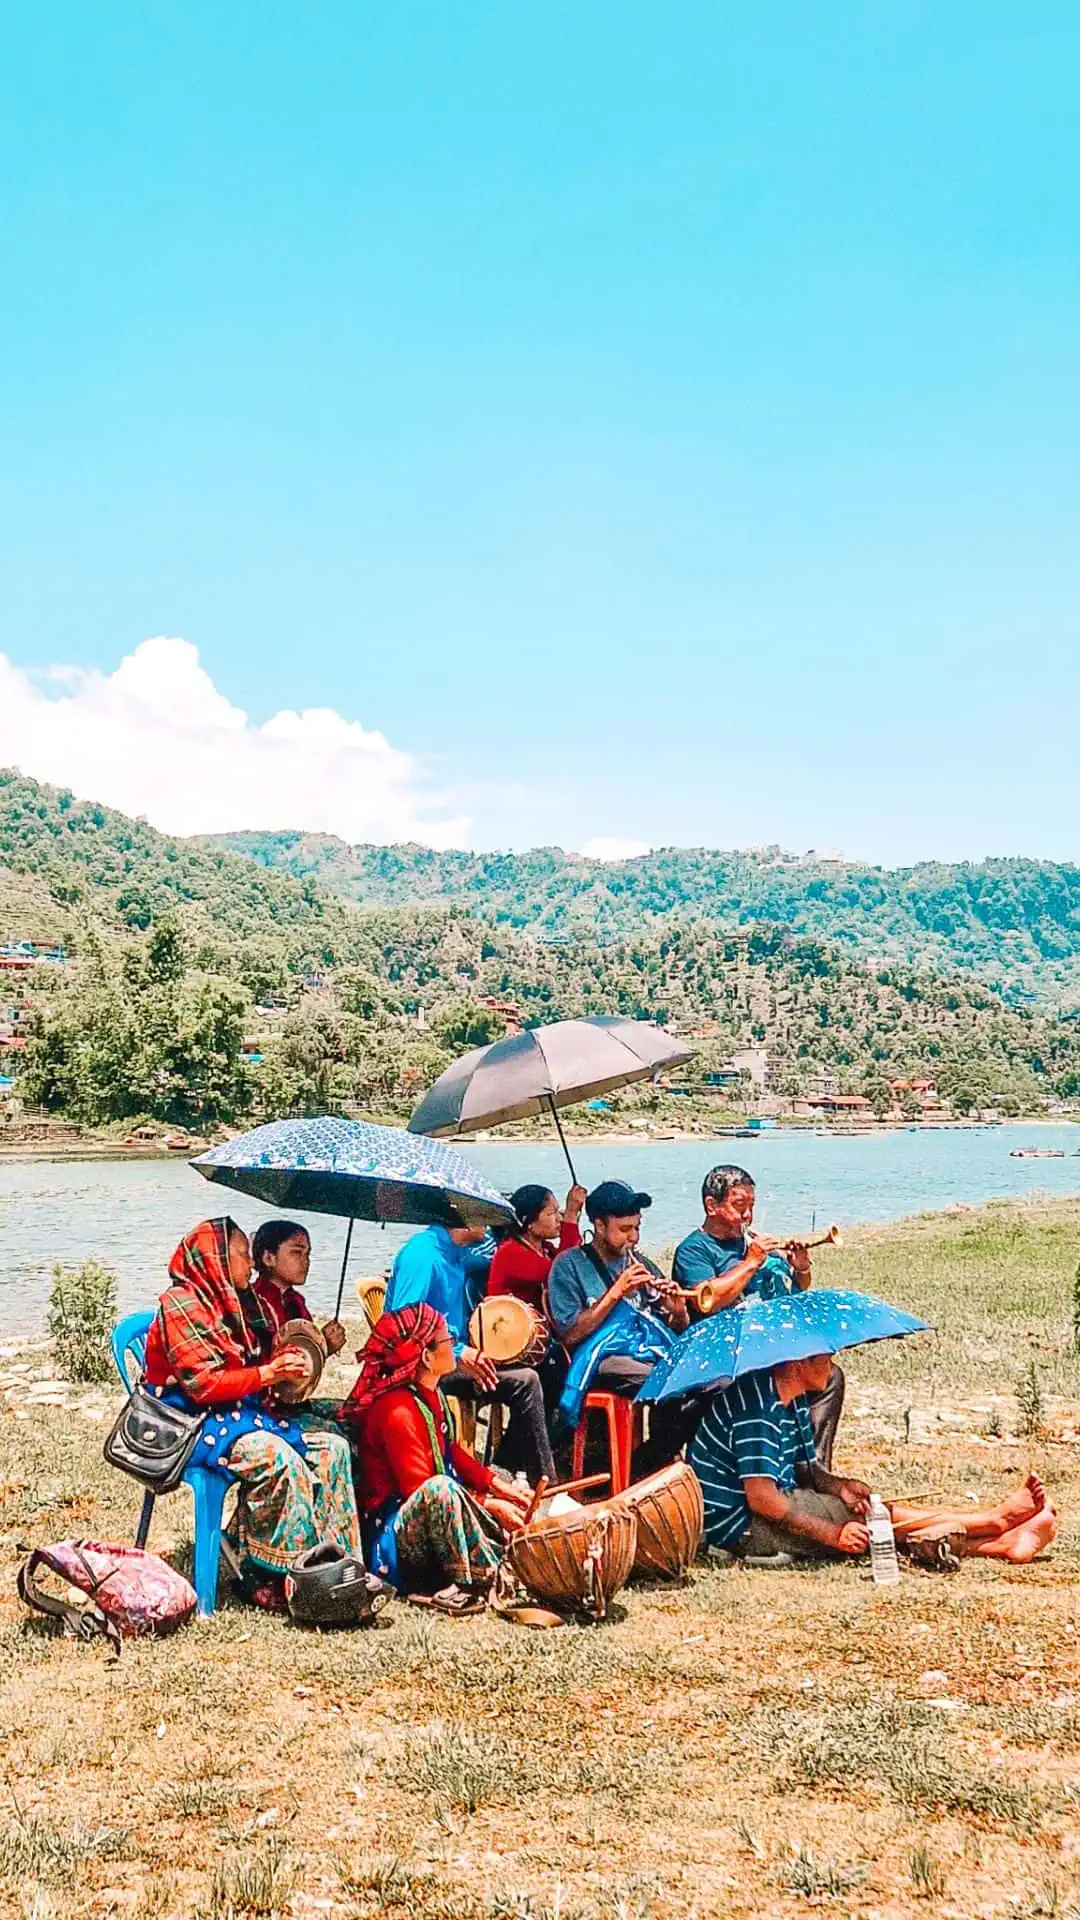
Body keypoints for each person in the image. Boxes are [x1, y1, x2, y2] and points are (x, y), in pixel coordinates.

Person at [142, 1217, 362, 1610]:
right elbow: (205, 1385)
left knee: (332, 1451)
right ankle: (272, 1573)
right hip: (191, 1425)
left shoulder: (234, 1304)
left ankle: (336, 1568)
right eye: (243, 1255)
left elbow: (254, 1358)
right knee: (278, 1456)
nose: (250, 1264)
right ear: (218, 1260)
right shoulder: (180, 1306)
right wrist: (268, 1373)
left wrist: (290, 1354)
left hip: (232, 1414)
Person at [689, 1348, 1058, 1565]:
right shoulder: (758, 1407)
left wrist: (837, 1485)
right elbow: (762, 1499)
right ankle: (991, 1521)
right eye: (825, 1358)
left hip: (768, 1503)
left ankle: (1000, 1545)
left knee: (868, 1518)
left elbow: (804, 1467)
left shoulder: (789, 1395)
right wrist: (832, 1534)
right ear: (798, 1362)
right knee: (874, 1521)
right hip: (739, 1526)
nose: (832, 1367)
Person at [344, 1303, 532, 1613]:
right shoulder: (397, 1410)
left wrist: (499, 1487)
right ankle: (486, 1574)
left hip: (439, 1506)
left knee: (504, 1479)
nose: (454, 1342)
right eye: (447, 1339)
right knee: (441, 1490)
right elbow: (423, 1490)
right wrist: (492, 1505)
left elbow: (450, 1452)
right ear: (427, 1357)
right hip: (395, 1541)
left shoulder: (431, 1393)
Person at [673, 1165, 845, 1467]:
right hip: (725, 1352)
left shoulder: (749, 1242)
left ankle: (812, 1466)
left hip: (769, 1345)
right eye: (739, 1206)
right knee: (748, 1384)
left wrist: (800, 1268)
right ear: (711, 1206)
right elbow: (706, 1302)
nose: (747, 1216)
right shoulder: (693, 1250)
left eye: (751, 1207)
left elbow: (793, 1291)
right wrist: (750, 1262)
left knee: (829, 1378)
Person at [546, 1179, 697, 1477]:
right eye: (625, 1230)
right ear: (599, 1226)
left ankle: (649, 1462)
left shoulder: (643, 1264)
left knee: (706, 1382)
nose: (633, 1238)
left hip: (643, 1350)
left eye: (637, 1228)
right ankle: (641, 1471)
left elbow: (672, 1326)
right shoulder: (569, 1265)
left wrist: (678, 1311)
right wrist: (616, 1291)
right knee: (669, 1384)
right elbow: (570, 1335)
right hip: (597, 1357)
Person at [384, 1219, 555, 1483]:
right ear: (464, 1217)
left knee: (547, 1368)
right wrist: (459, 1353)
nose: (488, 1226)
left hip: (452, 1355)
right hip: (423, 1368)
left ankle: (501, 1469)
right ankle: (546, 1484)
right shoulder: (422, 1256)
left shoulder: (458, 1253)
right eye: (483, 1217)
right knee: (525, 1382)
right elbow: (404, 1327)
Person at [250, 1218, 347, 1355]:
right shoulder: (252, 1302)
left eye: (307, 1254)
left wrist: (324, 1347)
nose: (305, 1261)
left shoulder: (296, 1301)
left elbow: (305, 1367)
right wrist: (321, 1346)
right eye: (296, 1252)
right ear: (269, 1258)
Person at [487, 1182, 587, 1313]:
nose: (559, 1219)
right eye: (551, 1214)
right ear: (528, 1222)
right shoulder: (511, 1252)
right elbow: (561, 1274)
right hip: (507, 1325)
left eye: (558, 1212)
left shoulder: (545, 1248)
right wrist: (571, 1215)